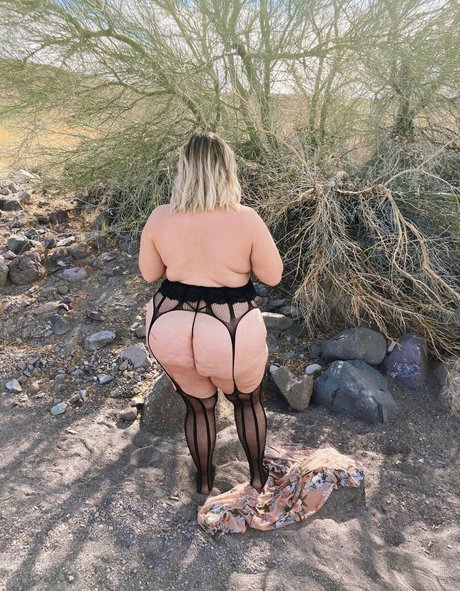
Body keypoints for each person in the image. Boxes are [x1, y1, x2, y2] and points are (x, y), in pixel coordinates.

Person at [138, 131, 284, 496]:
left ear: (184, 170)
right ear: (226, 170)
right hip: (228, 326)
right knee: (247, 404)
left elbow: (149, 273)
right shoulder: (246, 219)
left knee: (199, 409)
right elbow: (272, 276)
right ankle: (257, 479)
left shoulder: (160, 216)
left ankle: (203, 483)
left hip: (168, 322)